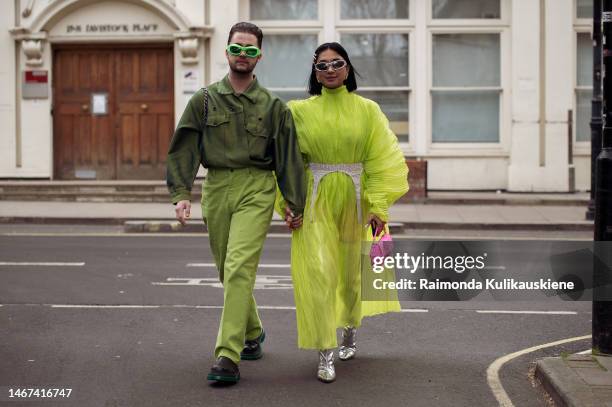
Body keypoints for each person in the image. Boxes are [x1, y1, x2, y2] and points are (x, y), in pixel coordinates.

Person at [166, 22, 306, 384]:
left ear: (259, 56)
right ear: (227, 52)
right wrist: (182, 194)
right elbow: (184, 147)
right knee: (226, 270)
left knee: (239, 265)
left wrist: (293, 201)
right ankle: (252, 333)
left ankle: (227, 355)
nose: (243, 56)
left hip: (257, 188)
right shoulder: (205, 99)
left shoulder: (274, 107)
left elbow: (288, 157)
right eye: (237, 49)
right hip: (216, 187)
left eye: (251, 50)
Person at [280, 42, 409, 383]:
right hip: (315, 198)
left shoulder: (367, 110)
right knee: (319, 272)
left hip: (356, 200)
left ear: (348, 68)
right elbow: (286, 162)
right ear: (315, 72)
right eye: (323, 65)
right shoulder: (297, 111)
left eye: (337, 63)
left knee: (353, 276)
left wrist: (379, 205)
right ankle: (325, 351)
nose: (331, 69)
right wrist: (288, 205)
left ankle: (350, 331)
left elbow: (384, 158)